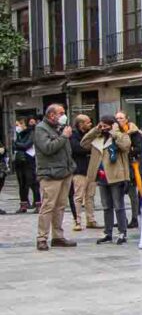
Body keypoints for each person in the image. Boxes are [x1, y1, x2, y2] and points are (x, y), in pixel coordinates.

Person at [82, 115, 133, 244]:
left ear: (113, 125)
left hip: (117, 176)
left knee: (118, 205)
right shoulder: (98, 138)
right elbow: (84, 143)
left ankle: (122, 232)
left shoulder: (120, 135)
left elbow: (126, 146)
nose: (104, 128)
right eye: (102, 125)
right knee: (106, 206)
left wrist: (115, 132)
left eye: (106, 126)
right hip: (102, 177)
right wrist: (95, 130)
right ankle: (108, 232)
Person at [33, 105, 78, 251]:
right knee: (48, 206)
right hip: (50, 173)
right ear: (52, 115)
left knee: (60, 206)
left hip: (65, 172)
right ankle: (42, 238)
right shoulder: (41, 128)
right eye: (61, 113)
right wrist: (64, 136)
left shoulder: (59, 127)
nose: (64, 115)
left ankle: (58, 236)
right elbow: (47, 148)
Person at [69, 115, 98, 231]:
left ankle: (91, 220)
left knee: (90, 196)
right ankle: (77, 221)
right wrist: (90, 148)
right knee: (78, 197)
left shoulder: (91, 134)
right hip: (79, 170)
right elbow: (76, 149)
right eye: (88, 122)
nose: (90, 124)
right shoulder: (73, 135)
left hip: (91, 169)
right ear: (81, 124)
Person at [13, 117, 40, 213]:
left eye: (21, 124)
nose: (19, 126)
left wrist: (17, 144)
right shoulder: (19, 134)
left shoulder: (32, 133)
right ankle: (23, 205)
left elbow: (27, 145)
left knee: (33, 182)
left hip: (29, 160)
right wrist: (17, 144)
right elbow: (14, 146)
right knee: (22, 184)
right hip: (19, 161)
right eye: (17, 124)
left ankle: (38, 204)